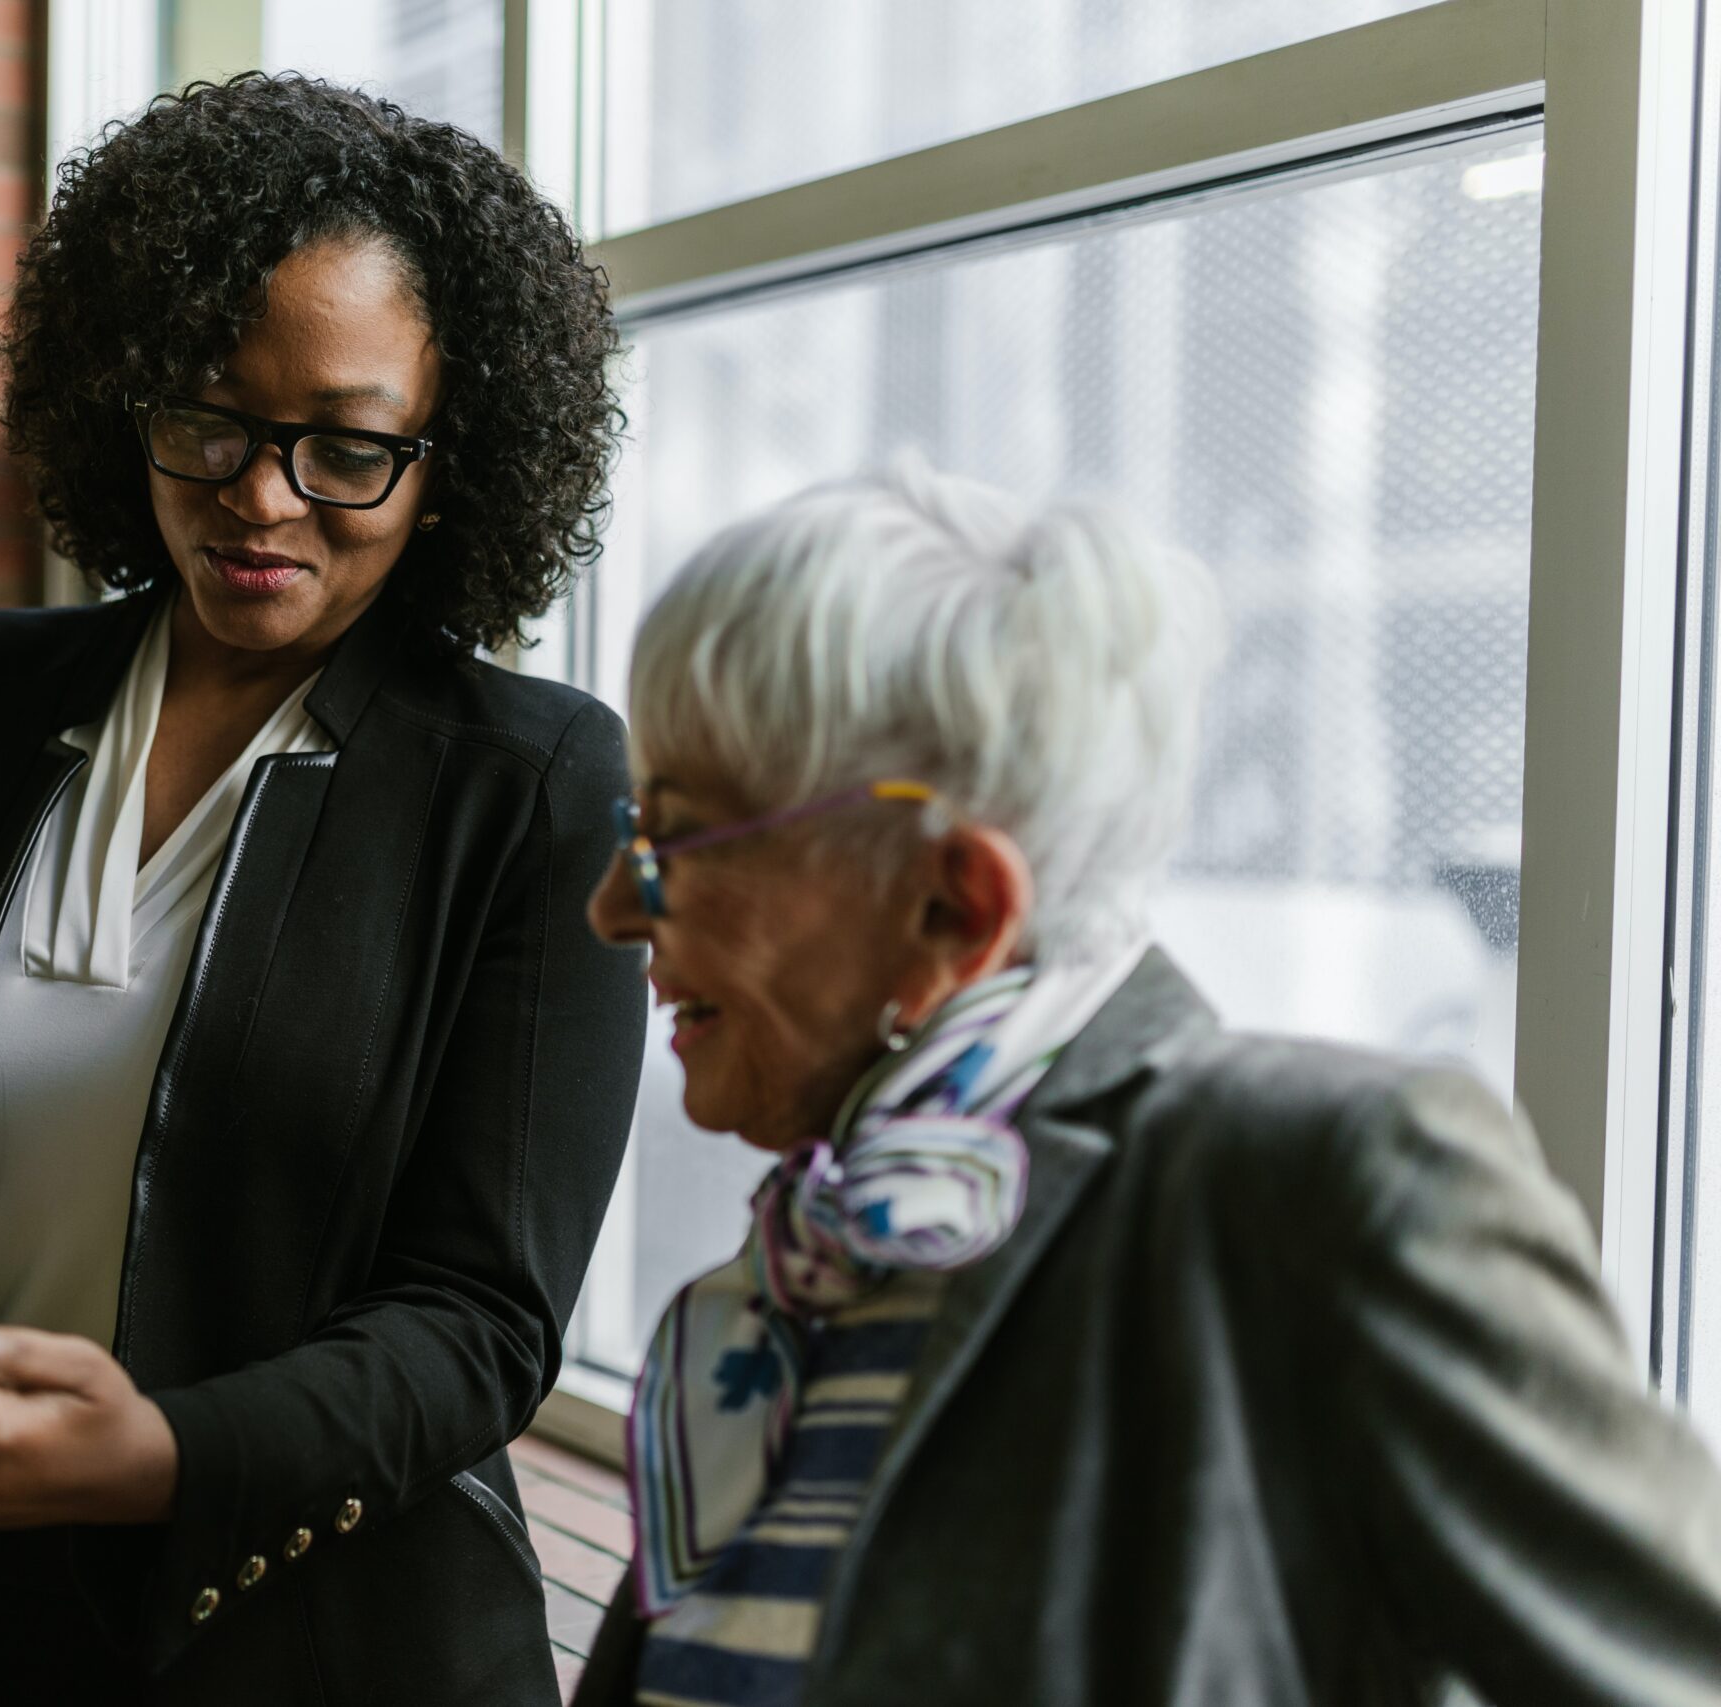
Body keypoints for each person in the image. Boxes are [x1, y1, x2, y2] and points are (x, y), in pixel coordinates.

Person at [0, 74, 645, 1706]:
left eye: (349, 448)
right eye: (209, 420)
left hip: (300, 1638)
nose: (262, 494)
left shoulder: (529, 778)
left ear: (453, 462)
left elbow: (482, 1323)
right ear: (121, 394)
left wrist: (155, 1453)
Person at [573, 461, 1721, 1705]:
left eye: (669, 840)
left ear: (956, 902)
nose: (605, 909)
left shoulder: (1327, 1192)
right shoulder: (810, 1260)